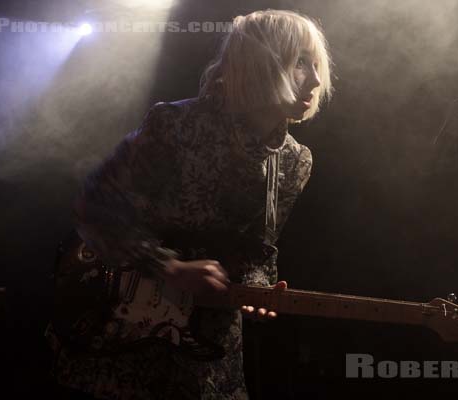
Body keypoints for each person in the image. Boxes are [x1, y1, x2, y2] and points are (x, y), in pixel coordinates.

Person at [46, 9, 333, 400]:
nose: (316, 80)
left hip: (207, 349)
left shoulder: (295, 161)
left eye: (316, 65)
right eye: (301, 63)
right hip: (119, 335)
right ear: (260, 63)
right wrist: (170, 267)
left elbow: (257, 251)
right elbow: (95, 207)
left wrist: (258, 289)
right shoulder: (175, 124)